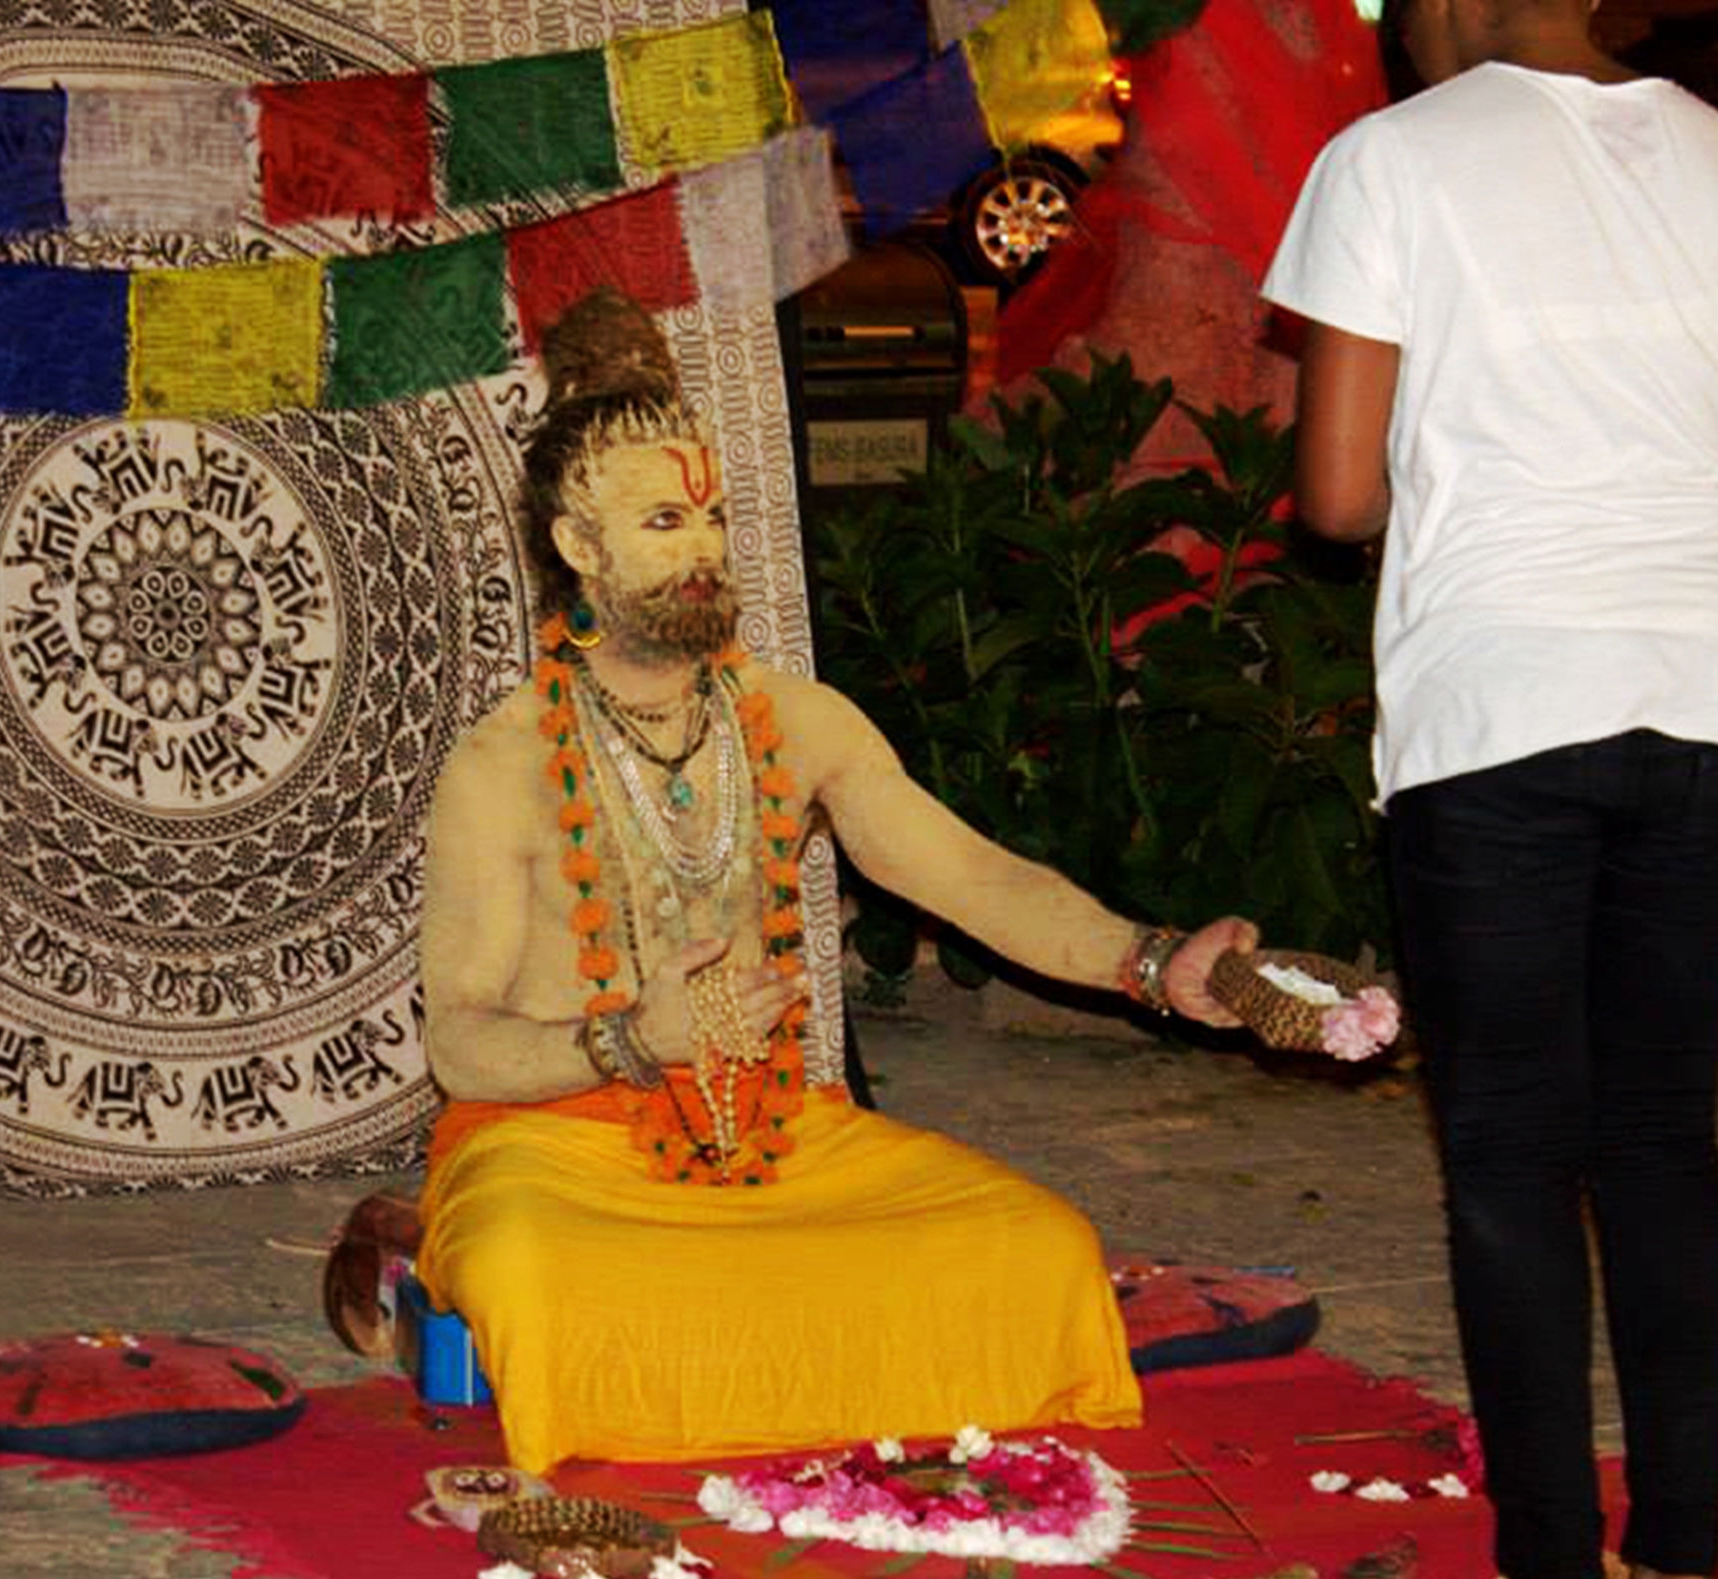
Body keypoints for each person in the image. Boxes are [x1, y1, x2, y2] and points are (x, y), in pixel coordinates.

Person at [408, 288, 1256, 1475]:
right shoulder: (500, 765)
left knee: (1040, 1249)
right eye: (662, 521)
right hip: (563, 1152)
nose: (703, 547)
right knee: (545, 1281)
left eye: (709, 514)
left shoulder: (800, 722)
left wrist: (1152, 961)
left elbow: (967, 875)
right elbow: (463, 1048)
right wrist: (632, 1039)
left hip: (775, 1129)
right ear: (576, 547)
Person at [1261, 2, 1718, 1579]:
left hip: (1502, 703)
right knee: (1659, 1137)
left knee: (1512, 1155)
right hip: (1713, 702)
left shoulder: (1388, 162)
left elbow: (1337, 493)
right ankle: (1677, 1569)